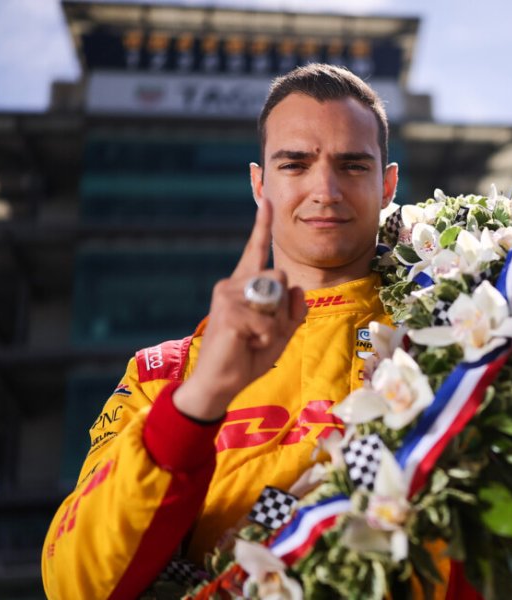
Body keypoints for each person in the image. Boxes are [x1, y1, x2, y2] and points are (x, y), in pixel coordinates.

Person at [40, 64, 437, 598]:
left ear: (387, 184)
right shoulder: (166, 374)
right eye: (295, 164)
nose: (325, 189)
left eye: (352, 165)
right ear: (259, 184)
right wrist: (199, 401)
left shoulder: (449, 335)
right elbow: (72, 582)